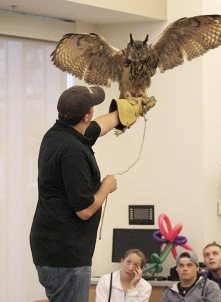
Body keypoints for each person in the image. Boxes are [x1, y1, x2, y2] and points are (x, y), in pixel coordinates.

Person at [30, 85, 120, 302]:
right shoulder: (72, 152)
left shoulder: (58, 135)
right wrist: (106, 187)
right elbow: (84, 210)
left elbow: (98, 127)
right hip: (65, 257)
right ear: (86, 116)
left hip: (55, 251)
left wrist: (122, 113)